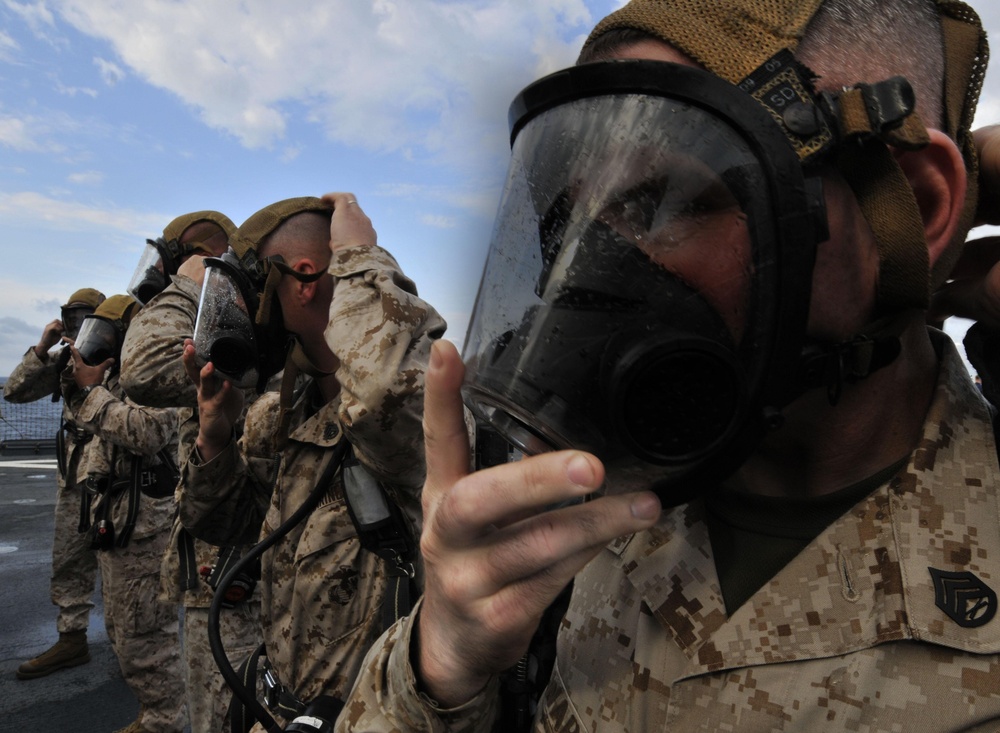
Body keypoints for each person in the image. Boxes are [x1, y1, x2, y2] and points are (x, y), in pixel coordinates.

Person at [337, 1, 1000, 731]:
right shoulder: (582, 501)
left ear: (917, 206)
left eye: (662, 201)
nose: (596, 272)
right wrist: (442, 666)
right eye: (573, 226)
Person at [178, 193, 445, 729]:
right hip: (278, 707)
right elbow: (222, 525)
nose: (242, 314)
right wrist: (215, 438)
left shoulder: (421, 402)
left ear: (302, 278)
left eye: (250, 293)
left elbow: (380, 395)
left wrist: (359, 255)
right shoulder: (278, 413)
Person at [119, 210, 266, 733]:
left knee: (224, 712)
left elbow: (138, 369)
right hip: (216, 551)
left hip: (237, 567)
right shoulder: (220, 335)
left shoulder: (236, 335)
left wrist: (192, 283)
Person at [70, 294, 187, 733]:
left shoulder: (160, 377)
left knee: (147, 639)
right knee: (122, 631)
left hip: (146, 527)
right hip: (117, 521)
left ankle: (165, 722)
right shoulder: (114, 383)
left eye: (105, 337)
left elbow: (148, 432)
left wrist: (90, 393)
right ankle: (151, 715)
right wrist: (85, 387)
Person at [3, 287, 105, 679]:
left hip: (116, 478)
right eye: (73, 317)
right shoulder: (64, 362)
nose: (80, 326)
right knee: (68, 560)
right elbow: (13, 391)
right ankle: (72, 639)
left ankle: (136, 639)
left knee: (124, 562)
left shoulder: (121, 358)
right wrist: (43, 348)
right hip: (74, 477)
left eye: (88, 318)